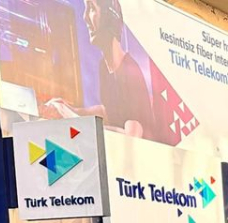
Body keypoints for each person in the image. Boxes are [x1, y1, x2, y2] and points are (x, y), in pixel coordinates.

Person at [42, 0, 153, 138]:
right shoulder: (104, 67)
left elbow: (133, 137)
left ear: (109, 16)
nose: (85, 17)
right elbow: (108, 112)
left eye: (92, 9)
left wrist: (80, 124)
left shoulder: (129, 72)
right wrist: (68, 109)